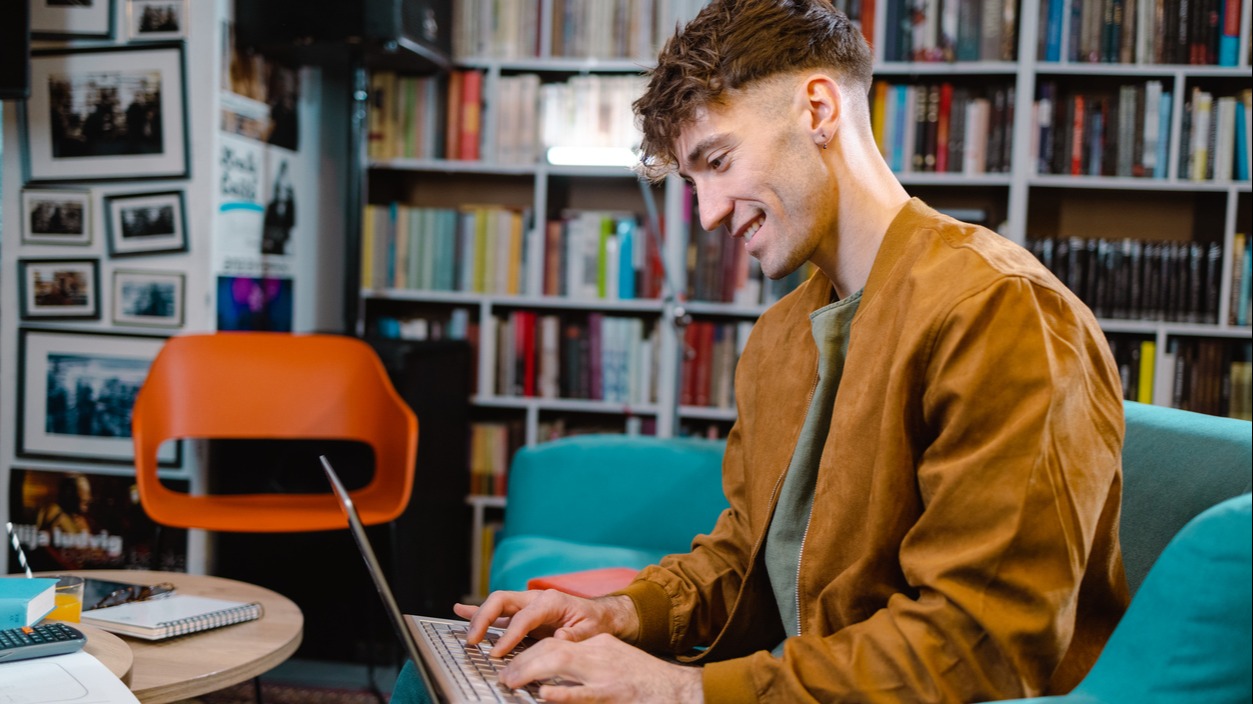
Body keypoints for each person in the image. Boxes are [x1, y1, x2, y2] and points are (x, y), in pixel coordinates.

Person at [448, 1, 1129, 702]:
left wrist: (684, 692)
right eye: (691, 182)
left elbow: (975, 646)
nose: (708, 213)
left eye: (718, 161)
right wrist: (615, 616)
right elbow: (749, 554)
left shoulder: (1001, 311)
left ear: (816, 110)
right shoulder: (779, 338)